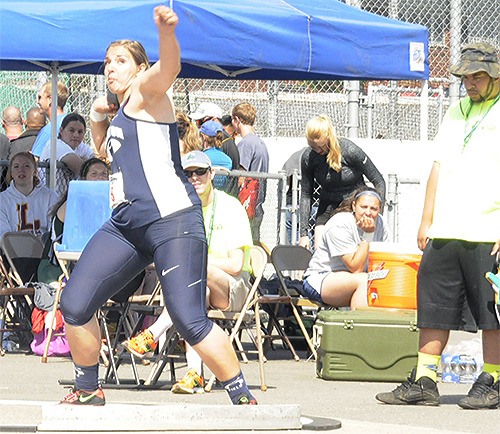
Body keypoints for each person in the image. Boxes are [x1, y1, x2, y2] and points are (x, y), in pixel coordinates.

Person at [59, 6, 257, 406]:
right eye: (107, 62)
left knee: (188, 317)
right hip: (127, 225)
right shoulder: (121, 115)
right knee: (75, 304)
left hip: (173, 221)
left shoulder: (150, 93)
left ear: (139, 68)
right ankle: (87, 389)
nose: (110, 68)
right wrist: (99, 119)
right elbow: (106, 150)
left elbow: (170, 67)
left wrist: (167, 33)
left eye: (120, 61)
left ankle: (242, 396)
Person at [376, 42, 500, 410]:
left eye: (478, 76)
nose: (470, 83)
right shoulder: (457, 111)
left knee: (491, 311)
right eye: (465, 77)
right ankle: (426, 380)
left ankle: (492, 378)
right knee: (434, 306)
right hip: (446, 229)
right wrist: (426, 219)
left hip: (488, 232)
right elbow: (438, 166)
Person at [123, 151, 253, 394]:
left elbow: (236, 265)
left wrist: (193, 261)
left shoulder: (231, 206)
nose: (194, 178)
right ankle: (195, 374)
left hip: (232, 287)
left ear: (211, 174)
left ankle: (154, 332)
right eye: (188, 173)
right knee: (195, 293)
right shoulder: (180, 211)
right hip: (197, 286)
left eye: (200, 172)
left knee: (194, 269)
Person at [298, 114, 386, 251]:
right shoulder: (308, 157)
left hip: (352, 207)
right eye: (312, 147)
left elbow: (378, 181)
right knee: (320, 250)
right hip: (327, 207)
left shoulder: (350, 150)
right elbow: (305, 194)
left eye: (321, 147)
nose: (318, 151)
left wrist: (376, 215)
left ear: (329, 138)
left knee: (349, 253)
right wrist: (303, 233)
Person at [303, 187, 387, 309]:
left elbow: (385, 258)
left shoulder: (381, 223)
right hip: (321, 279)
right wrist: (367, 235)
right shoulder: (340, 223)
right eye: (363, 207)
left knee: (386, 283)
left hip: (355, 278)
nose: (368, 213)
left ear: (379, 210)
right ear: (354, 206)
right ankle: (357, 326)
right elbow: (355, 268)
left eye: (373, 209)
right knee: (365, 281)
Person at [37, 158, 111, 285]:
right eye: (94, 174)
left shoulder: (106, 206)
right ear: (84, 179)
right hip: (58, 267)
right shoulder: (73, 202)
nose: (100, 177)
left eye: (104, 174)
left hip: (90, 263)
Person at [231, 102, 269, 242]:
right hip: (257, 203)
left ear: (237, 120)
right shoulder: (260, 143)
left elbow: (242, 175)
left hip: (248, 203)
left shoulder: (246, 144)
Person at [0, 151, 58, 240]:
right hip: (13, 250)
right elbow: (3, 235)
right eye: (16, 166)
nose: (21, 170)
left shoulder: (50, 196)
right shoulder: (3, 200)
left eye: (26, 166)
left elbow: (54, 231)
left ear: (34, 171)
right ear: (11, 173)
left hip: (43, 249)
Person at [39, 112, 95, 179]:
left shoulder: (82, 146)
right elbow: (81, 168)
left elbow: (96, 167)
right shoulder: (55, 145)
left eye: (80, 132)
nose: (76, 135)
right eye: (71, 130)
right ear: (61, 131)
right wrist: (85, 161)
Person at [190, 102, 240, 172]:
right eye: (196, 122)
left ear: (213, 119)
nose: (198, 126)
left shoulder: (225, 141)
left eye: (200, 122)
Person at [31, 81, 69, 158]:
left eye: (40, 97)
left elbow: (36, 160)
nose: (37, 102)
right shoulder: (70, 122)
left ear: (50, 99)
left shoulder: (50, 130)